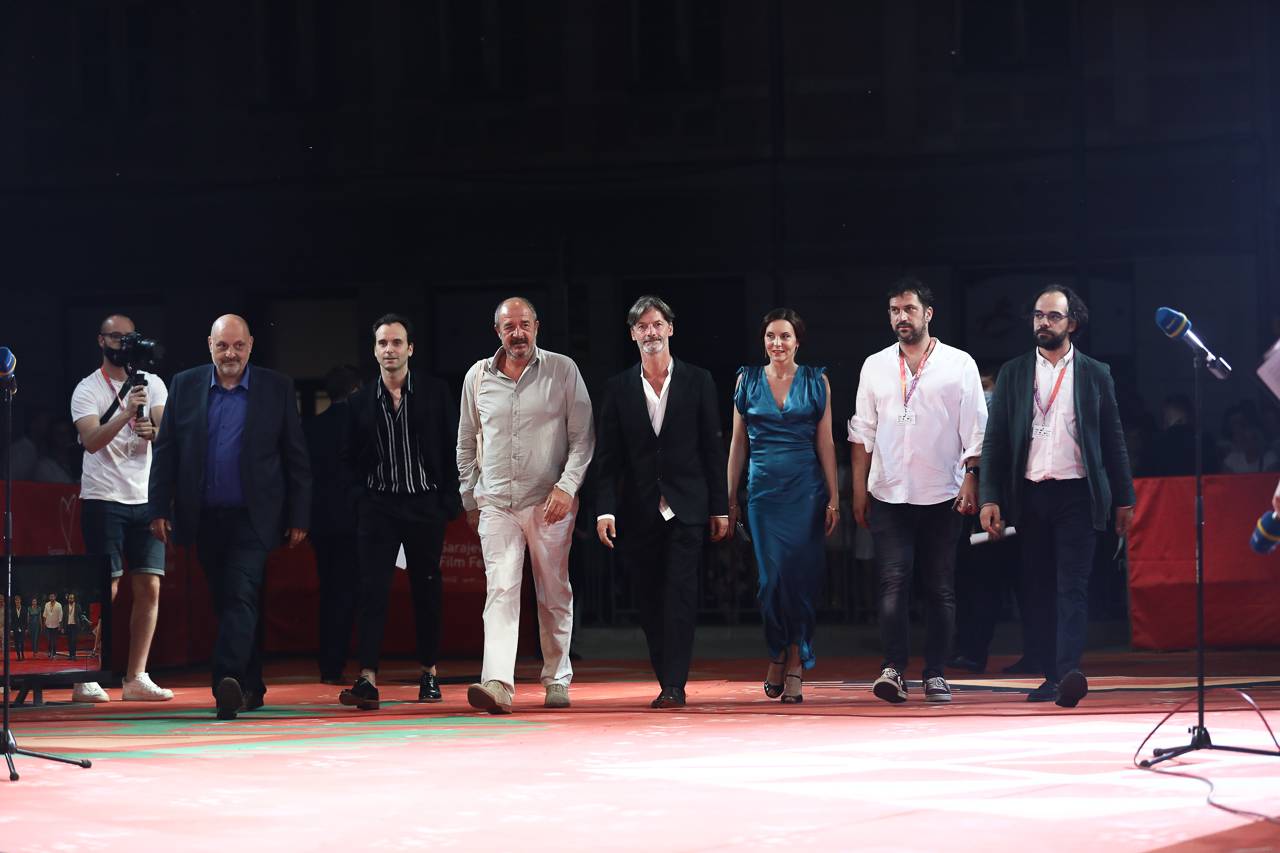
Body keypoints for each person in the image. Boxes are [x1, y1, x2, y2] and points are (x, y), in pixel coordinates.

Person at [149, 314, 312, 720]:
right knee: (228, 601)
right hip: (203, 516)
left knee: (239, 593)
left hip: (254, 518)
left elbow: (295, 456)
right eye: (222, 346)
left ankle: (227, 680)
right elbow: (167, 451)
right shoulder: (185, 385)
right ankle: (251, 686)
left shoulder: (276, 387)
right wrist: (158, 508)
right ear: (210, 345)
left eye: (238, 346)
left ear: (251, 345)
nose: (230, 354)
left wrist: (299, 514)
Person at [979, 285, 1135, 708]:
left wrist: (1124, 499)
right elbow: (995, 440)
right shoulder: (1013, 373)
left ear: (1073, 323)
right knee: (1038, 588)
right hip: (1029, 494)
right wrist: (989, 497)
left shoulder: (1095, 373)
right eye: (1038, 315)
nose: (1043, 322)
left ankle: (1066, 673)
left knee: (1073, 587)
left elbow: (1113, 439)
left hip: (1077, 494)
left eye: (1053, 316)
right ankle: (1049, 674)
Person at [849, 278, 986, 705]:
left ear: (928, 313)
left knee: (940, 587)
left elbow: (976, 430)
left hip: (943, 491)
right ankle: (893, 669)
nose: (901, 317)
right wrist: (859, 491)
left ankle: (935, 673)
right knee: (892, 583)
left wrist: (972, 478)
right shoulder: (874, 365)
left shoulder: (959, 364)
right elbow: (862, 433)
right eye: (894, 310)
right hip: (889, 492)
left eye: (909, 309)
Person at [457, 297, 594, 714]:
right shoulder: (477, 377)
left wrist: (566, 488)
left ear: (537, 326)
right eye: (509, 327)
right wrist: (470, 497)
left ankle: (557, 677)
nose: (518, 333)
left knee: (553, 591)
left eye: (524, 324)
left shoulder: (562, 370)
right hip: (496, 502)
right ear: (497, 331)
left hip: (549, 502)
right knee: (500, 589)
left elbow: (583, 436)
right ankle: (497, 683)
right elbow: (466, 442)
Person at [595, 296, 730, 709]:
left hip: (687, 507)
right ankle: (665, 676)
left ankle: (674, 684)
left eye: (657, 324)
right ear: (632, 334)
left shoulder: (698, 380)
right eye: (642, 326)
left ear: (670, 328)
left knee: (681, 595)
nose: (650, 332)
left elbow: (712, 448)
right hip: (638, 510)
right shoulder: (618, 388)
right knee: (649, 599)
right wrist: (605, 509)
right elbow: (607, 458)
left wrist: (720, 507)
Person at [338, 315, 462, 711]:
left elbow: (453, 447)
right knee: (372, 590)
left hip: (424, 503)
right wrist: (360, 499)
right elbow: (347, 459)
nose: (389, 349)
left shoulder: (435, 392)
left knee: (427, 590)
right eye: (382, 343)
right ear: (374, 351)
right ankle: (367, 677)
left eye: (396, 342)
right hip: (379, 506)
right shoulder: (359, 401)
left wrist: (448, 500)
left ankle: (429, 673)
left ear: (410, 348)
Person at [727, 307, 840, 704]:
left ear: (797, 341)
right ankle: (776, 647)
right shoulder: (746, 380)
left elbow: (826, 441)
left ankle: (793, 659)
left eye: (785, 336)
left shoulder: (816, 380)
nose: (777, 343)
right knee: (771, 580)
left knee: (800, 580)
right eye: (771, 336)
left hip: (805, 492)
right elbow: (737, 442)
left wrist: (834, 497)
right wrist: (729, 498)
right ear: (764, 341)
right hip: (762, 494)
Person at [70, 313, 173, 702]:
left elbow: (169, 434)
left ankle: (136, 677)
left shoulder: (154, 384)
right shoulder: (87, 388)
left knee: (149, 586)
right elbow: (91, 440)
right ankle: (85, 675)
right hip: (103, 497)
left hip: (146, 498)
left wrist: (154, 432)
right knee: (105, 587)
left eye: (129, 338)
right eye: (115, 337)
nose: (122, 344)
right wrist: (128, 413)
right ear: (101, 340)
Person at [303, 364, 362, 685]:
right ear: (355, 390)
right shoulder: (363, 425)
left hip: (322, 522)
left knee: (330, 592)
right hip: (356, 521)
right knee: (357, 593)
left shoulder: (312, 426)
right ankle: (360, 664)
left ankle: (329, 664)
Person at [43, 593, 63, 659]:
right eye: (50, 596)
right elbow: (44, 614)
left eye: (53, 596)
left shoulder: (59, 605)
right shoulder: (47, 604)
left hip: (56, 625)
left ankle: (54, 653)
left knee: (54, 640)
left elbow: (60, 615)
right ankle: (49, 651)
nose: (52, 598)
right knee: (49, 639)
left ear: (55, 597)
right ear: (49, 597)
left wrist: (60, 625)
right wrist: (44, 623)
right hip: (48, 624)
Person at [12, 594, 26, 660]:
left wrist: (25, 628)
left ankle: (22, 654)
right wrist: (12, 629)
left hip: (22, 628)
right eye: (16, 600)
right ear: (15, 601)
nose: (17, 601)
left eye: (18, 600)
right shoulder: (12, 609)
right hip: (15, 628)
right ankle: (18, 656)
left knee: (22, 642)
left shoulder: (24, 609)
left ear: (20, 600)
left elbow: (25, 620)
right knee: (16, 642)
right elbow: (11, 620)